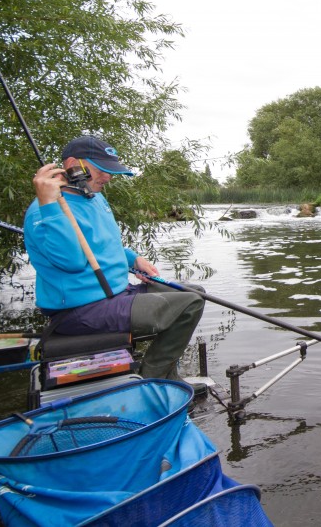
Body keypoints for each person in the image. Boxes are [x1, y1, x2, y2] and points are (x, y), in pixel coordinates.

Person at [23, 135, 204, 382]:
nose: (108, 177)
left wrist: (133, 259)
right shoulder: (45, 212)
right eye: (102, 170)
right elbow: (71, 262)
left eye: (110, 171)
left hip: (114, 293)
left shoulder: (93, 197)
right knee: (189, 304)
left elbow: (104, 243)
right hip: (80, 308)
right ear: (74, 164)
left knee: (195, 291)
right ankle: (154, 378)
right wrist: (48, 202)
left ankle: (168, 373)